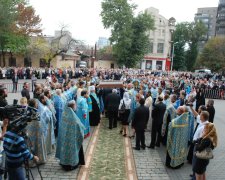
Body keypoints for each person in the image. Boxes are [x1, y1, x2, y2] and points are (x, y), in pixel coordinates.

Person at [56, 100, 85, 171]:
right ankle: (72, 164)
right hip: (72, 138)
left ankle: (64, 163)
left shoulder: (65, 113)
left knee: (65, 150)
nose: (76, 106)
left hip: (65, 137)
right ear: (72, 106)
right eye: (75, 105)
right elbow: (79, 125)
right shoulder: (72, 117)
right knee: (73, 149)